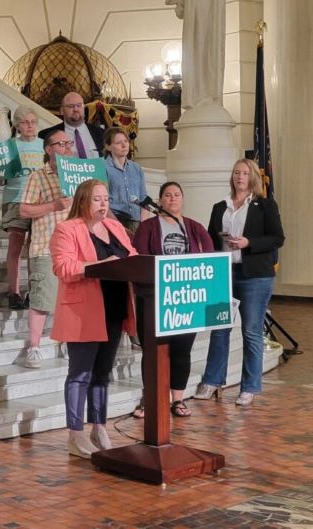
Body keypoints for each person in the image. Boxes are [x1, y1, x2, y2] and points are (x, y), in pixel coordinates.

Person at [50, 179, 137, 458]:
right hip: (84, 310)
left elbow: (132, 258)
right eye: (97, 199)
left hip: (113, 309)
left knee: (102, 374)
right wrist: (100, 266)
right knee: (80, 374)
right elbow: (63, 267)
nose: (104, 204)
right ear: (83, 200)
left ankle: (98, 427)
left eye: (106, 199)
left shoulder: (115, 227)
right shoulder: (67, 229)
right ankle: (75, 434)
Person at [195, 159, 284, 406]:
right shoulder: (219, 206)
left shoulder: (264, 206)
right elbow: (212, 239)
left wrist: (249, 243)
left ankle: (250, 387)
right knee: (219, 328)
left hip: (255, 276)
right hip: (223, 275)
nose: (240, 177)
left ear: (253, 177)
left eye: (245, 173)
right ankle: (212, 381)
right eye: (236, 172)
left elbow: (278, 238)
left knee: (251, 331)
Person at [131, 181, 214, 418]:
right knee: (152, 352)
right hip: (154, 300)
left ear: (183, 199)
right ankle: (150, 399)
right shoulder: (148, 227)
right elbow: (139, 260)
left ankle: (177, 400)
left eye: (177, 195)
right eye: (167, 195)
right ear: (160, 200)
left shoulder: (194, 227)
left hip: (186, 300)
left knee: (181, 351)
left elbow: (208, 259)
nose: (172, 199)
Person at [17, 130, 74, 368]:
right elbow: (24, 211)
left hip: (73, 248)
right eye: (61, 144)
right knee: (42, 299)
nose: (67, 147)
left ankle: (70, 341)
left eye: (69, 143)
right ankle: (34, 347)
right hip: (46, 246)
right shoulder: (37, 177)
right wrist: (54, 205)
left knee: (72, 300)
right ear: (49, 150)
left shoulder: (77, 176)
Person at [0, 106, 45, 309]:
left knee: (35, 248)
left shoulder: (44, 146)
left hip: (39, 201)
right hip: (15, 198)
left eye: (33, 122)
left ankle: (33, 291)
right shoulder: (9, 145)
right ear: (17, 125)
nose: (30, 126)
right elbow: (1, 178)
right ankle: (14, 292)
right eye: (25, 122)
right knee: (15, 246)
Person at [103, 127, 148, 233]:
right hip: (115, 221)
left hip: (137, 222)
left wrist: (143, 225)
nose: (124, 145)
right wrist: (118, 227)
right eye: (118, 143)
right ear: (108, 146)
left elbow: (143, 199)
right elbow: (103, 203)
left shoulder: (136, 168)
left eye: (126, 141)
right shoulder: (103, 168)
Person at [37, 91, 103, 158]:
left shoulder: (102, 133)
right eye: (71, 106)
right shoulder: (46, 135)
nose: (76, 109)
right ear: (62, 110)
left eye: (79, 105)